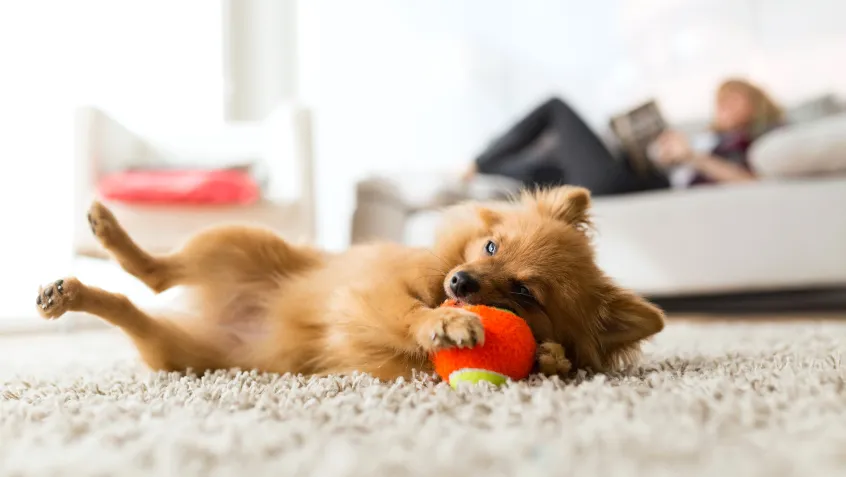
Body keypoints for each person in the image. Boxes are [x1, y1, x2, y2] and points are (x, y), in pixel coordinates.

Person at [461, 78, 785, 195]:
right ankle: (485, 172)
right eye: (720, 100)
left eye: (734, 99)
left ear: (755, 103)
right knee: (548, 167)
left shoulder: (749, 141)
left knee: (556, 108)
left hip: (628, 186)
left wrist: (691, 157)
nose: (722, 106)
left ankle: (479, 162)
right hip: (634, 173)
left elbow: (750, 182)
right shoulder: (708, 135)